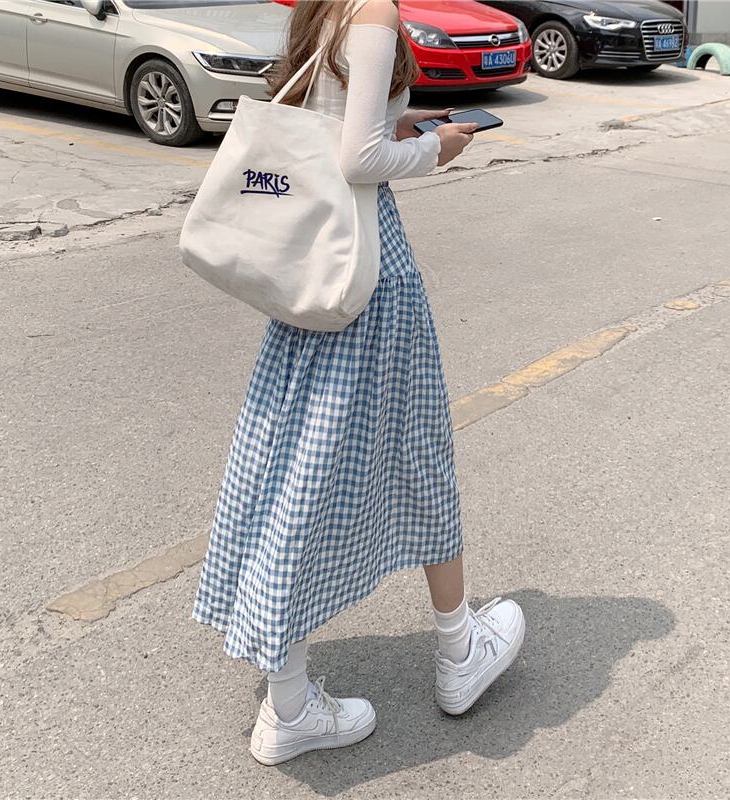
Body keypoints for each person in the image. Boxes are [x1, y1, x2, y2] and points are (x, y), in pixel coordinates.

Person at [192, 0, 525, 766]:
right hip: (367, 271)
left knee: (296, 466)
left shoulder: (331, 7)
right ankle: (457, 651)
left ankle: (291, 698)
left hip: (316, 267)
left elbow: (335, 120)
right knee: (413, 456)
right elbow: (357, 159)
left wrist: (400, 122)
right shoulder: (374, 8)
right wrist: (435, 149)